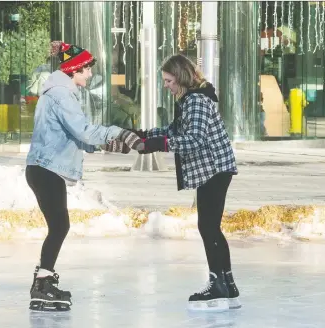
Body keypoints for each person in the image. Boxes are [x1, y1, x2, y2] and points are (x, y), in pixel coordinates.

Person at [25, 41, 143, 312]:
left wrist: (103, 144)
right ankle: (42, 285)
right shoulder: (61, 95)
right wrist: (115, 134)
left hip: (43, 168)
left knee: (59, 226)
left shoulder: (58, 92)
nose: (90, 75)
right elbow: (83, 131)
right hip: (46, 169)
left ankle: (44, 282)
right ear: (74, 69)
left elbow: (72, 134)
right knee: (59, 226)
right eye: (87, 69)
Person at [136, 54, 240, 311]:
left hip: (214, 169)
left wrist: (159, 144)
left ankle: (219, 283)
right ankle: (227, 284)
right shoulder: (190, 100)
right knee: (211, 227)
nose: (166, 85)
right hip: (215, 168)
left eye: (168, 80)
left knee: (208, 227)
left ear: (181, 78)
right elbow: (174, 131)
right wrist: (144, 136)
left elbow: (194, 139)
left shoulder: (197, 101)